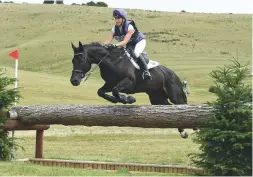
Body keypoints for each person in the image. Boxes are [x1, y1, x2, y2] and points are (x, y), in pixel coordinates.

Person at [104, 9, 152, 80]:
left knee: (136, 53)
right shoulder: (114, 28)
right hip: (130, 44)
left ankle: (146, 71)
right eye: (116, 18)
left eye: (119, 18)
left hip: (139, 41)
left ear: (123, 19)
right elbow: (108, 40)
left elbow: (125, 42)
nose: (117, 20)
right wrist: (103, 46)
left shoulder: (129, 26)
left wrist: (114, 45)